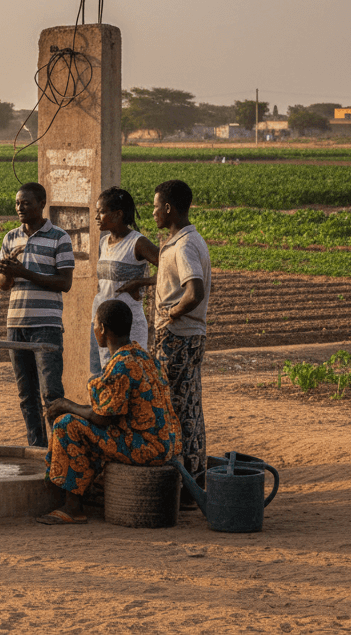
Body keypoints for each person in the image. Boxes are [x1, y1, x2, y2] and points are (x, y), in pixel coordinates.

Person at [38, 299, 180, 525]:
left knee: (67, 424)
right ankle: (91, 490)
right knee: (85, 426)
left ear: (102, 328)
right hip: (165, 442)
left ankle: (73, 507)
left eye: (95, 324)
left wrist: (66, 405)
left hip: (148, 448)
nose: (94, 329)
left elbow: (101, 418)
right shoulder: (144, 357)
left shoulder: (121, 365)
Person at [0, 181, 73, 448]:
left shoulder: (60, 237)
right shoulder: (10, 237)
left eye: (26, 203)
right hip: (16, 324)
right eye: (17, 203)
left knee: (51, 393)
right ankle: (37, 448)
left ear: (42, 204)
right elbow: (4, 285)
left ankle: (61, 449)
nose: (20, 207)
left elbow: (64, 283)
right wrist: (7, 272)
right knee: (25, 394)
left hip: (46, 326)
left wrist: (24, 272)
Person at [150, 179, 211, 500]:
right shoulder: (185, 240)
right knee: (187, 406)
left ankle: (185, 486)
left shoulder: (185, 245)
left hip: (177, 336)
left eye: (156, 206)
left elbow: (194, 290)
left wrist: (171, 314)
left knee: (175, 409)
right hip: (186, 335)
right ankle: (193, 481)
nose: (154, 212)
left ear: (169, 208)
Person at [89, 187, 159, 375]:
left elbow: (171, 268)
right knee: (101, 376)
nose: (97, 217)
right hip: (101, 321)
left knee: (128, 376)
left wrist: (141, 283)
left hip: (126, 327)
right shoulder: (104, 242)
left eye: (101, 212)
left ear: (118, 214)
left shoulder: (137, 242)